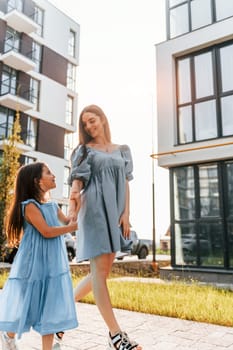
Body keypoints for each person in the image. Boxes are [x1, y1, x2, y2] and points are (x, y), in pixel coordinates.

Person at [61, 104, 142, 349]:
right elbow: (77, 183)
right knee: (99, 273)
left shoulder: (122, 150)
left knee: (101, 273)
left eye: (92, 120)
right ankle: (116, 335)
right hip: (93, 211)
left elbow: (126, 184)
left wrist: (126, 214)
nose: (89, 126)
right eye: (85, 124)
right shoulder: (84, 151)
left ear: (103, 119)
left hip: (115, 213)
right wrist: (72, 207)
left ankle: (60, 314)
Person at [0, 162, 78, 350]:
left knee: (50, 309)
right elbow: (47, 231)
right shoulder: (29, 206)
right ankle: (8, 335)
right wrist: (70, 228)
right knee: (25, 304)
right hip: (32, 264)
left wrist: (76, 200)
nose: (54, 175)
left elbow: (69, 220)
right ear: (37, 181)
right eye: (48, 173)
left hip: (52, 264)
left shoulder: (52, 206)